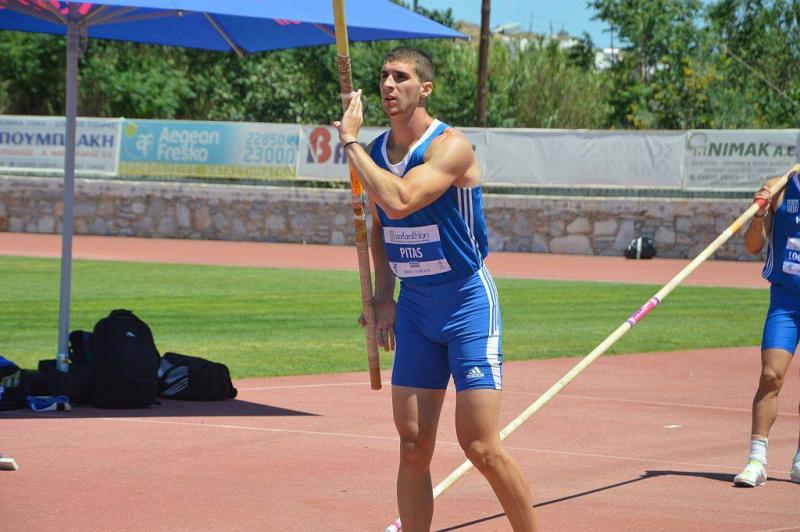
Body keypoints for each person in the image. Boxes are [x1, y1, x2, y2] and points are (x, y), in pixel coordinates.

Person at [333, 47, 537, 530]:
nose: (388, 85)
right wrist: (384, 295)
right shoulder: (375, 152)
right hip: (416, 309)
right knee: (412, 446)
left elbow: (400, 200)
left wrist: (349, 142)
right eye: (384, 76)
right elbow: (381, 226)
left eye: (400, 77)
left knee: (481, 446)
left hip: (467, 303)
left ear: (424, 88)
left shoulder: (450, 147)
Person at [734, 174, 800, 487]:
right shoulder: (780, 188)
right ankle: (756, 460)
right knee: (770, 376)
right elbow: (752, 247)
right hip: (786, 300)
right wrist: (760, 213)